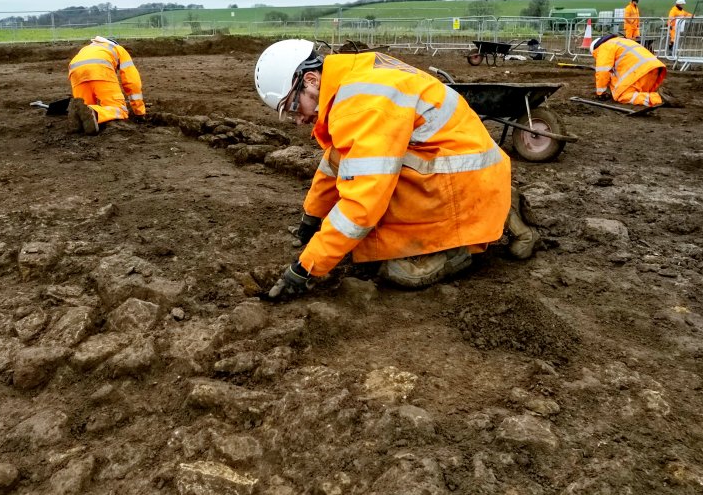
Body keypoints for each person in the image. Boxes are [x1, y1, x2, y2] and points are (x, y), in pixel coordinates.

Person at [253, 39, 540, 301]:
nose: (298, 120)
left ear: (311, 80)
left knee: (400, 268)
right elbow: (337, 160)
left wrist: (307, 268)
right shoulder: (353, 80)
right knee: (368, 175)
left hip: (464, 181)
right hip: (466, 170)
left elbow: (362, 203)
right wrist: (312, 217)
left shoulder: (360, 105)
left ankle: (460, 245)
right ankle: (496, 202)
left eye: (292, 107)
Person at [66, 36, 146, 135]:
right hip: (100, 71)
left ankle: (79, 119)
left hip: (75, 74)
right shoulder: (118, 49)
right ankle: (95, 112)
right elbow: (132, 82)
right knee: (119, 110)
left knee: (84, 107)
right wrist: (139, 111)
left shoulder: (86, 49)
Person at [590, 34, 671, 107]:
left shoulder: (605, 47)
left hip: (639, 72)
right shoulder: (621, 41)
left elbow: (603, 72)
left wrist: (601, 93)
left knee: (622, 96)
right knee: (637, 93)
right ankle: (659, 96)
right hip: (653, 70)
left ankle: (657, 99)